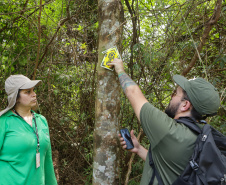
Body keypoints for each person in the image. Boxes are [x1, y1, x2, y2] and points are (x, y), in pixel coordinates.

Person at [108, 58, 220, 185]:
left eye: (175, 93)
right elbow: (168, 166)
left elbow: (132, 92)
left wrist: (120, 69)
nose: (172, 96)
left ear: (185, 105)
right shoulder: (202, 136)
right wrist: (139, 149)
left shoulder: (170, 132)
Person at [0, 75, 57, 185]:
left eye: (33, 90)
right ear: (15, 97)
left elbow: (47, 161)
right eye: (27, 92)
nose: (34, 94)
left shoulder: (41, 121)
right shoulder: (3, 121)